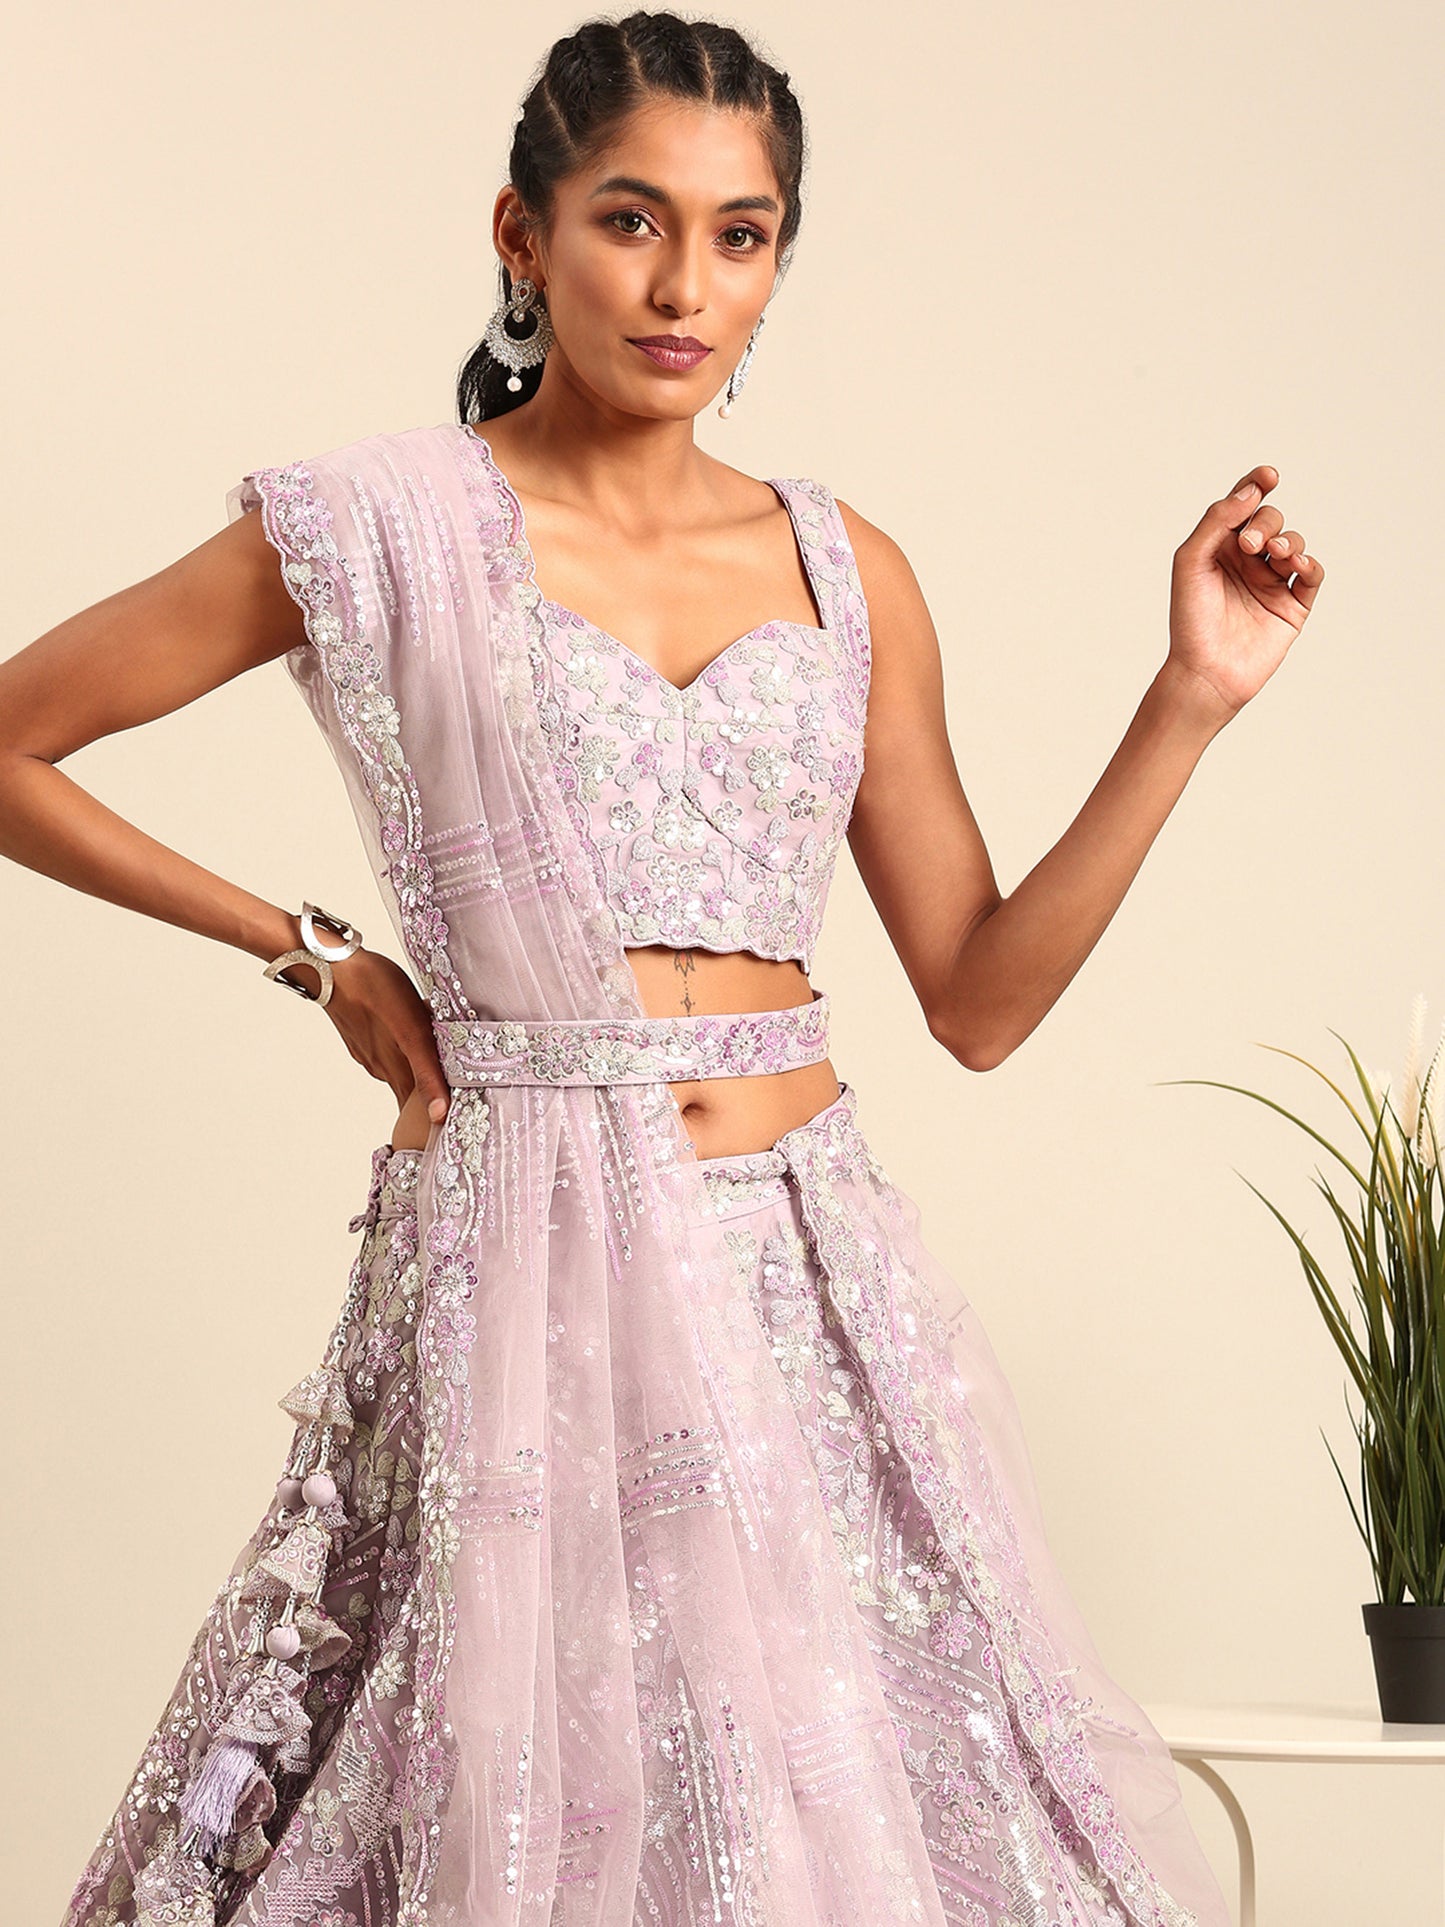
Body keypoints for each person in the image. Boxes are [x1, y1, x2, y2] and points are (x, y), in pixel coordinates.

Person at [5, 11, 1322, 1926]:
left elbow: (977, 999)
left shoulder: (844, 567)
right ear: (523, 235)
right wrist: (311, 952)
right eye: (631, 220)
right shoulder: (375, 527)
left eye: (740, 234)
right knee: (516, 1796)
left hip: (801, 1272)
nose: (684, 284)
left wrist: (1189, 696)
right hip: (522, 1264)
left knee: (836, 1820)